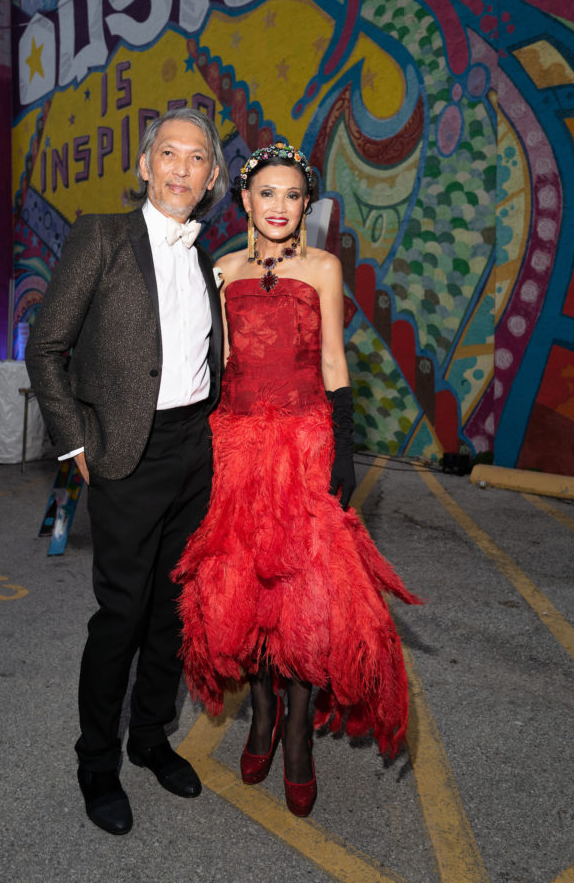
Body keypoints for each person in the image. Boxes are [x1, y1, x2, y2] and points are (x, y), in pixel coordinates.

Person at [172, 141, 421, 818]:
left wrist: (342, 445)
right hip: (234, 444)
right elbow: (212, 367)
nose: (279, 206)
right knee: (246, 590)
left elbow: (335, 360)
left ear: (306, 205)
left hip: (305, 442)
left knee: (304, 597)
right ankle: (261, 717)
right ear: (245, 201)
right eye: (266, 194)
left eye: (292, 195)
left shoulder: (323, 267)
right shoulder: (220, 270)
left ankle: (298, 743)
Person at [25, 108, 229, 835]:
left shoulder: (208, 257)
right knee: (120, 616)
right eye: (167, 153)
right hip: (120, 453)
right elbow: (45, 347)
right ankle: (96, 762)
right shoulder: (102, 236)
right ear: (145, 166)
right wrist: (73, 441)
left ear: (210, 179)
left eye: (196, 157)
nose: (180, 166)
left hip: (191, 451)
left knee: (173, 612)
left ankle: (149, 740)